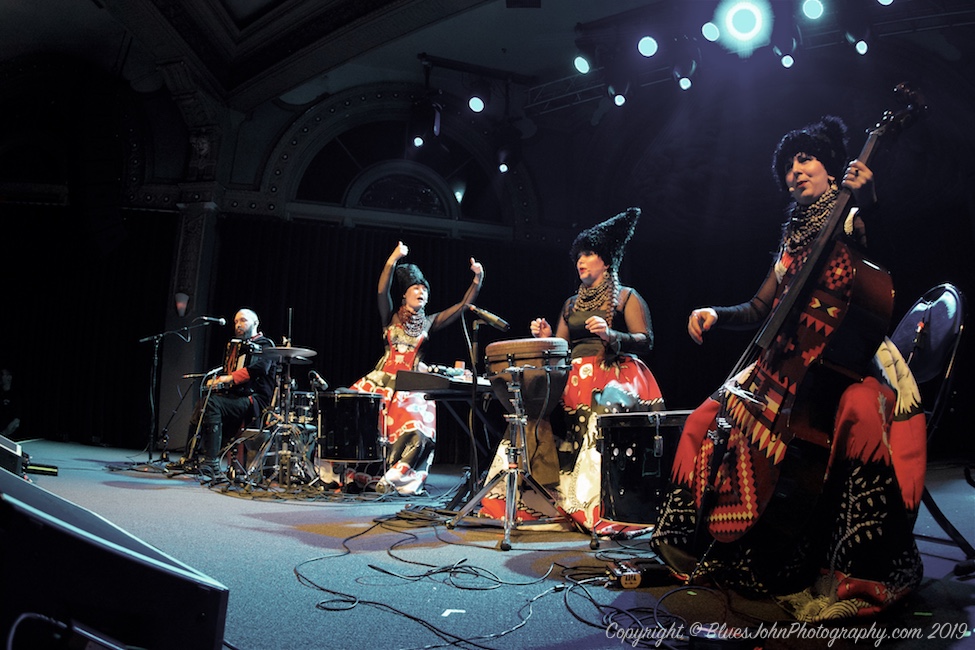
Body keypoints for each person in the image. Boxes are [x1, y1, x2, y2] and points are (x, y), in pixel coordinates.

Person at [650, 116, 928, 622]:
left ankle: (861, 568)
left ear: (832, 169)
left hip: (845, 362)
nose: (795, 171)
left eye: (807, 160)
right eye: (788, 165)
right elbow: (761, 309)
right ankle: (694, 544)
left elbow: (887, 251)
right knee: (702, 420)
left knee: (863, 415)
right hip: (783, 365)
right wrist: (717, 313)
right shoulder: (791, 241)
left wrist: (867, 200)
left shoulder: (851, 220)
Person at [481, 207, 666, 537]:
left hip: (612, 375)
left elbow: (646, 340)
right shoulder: (570, 304)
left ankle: (596, 505)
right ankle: (538, 499)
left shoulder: (626, 298)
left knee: (602, 411)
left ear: (606, 261)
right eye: (578, 255)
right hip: (572, 378)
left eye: (589, 254)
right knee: (537, 410)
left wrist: (612, 336)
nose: (581, 260)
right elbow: (561, 348)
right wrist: (545, 336)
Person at [340, 241, 484, 496]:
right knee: (357, 415)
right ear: (404, 294)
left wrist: (477, 279)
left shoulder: (429, 322)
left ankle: (396, 476)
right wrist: (393, 259)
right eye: (415, 287)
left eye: (424, 289)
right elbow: (382, 290)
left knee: (419, 430)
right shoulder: (390, 317)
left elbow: (462, 307)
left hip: (412, 384)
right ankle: (358, 474)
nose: (421, 291)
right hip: (382, 379)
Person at [187, 308, 276, 477]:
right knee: (203, 402)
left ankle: (212, 462)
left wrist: (228, 379)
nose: (238, 325)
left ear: (255, 323)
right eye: (236, 321)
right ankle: (188, 457)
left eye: (243, 320)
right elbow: (229, 371)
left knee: (212, 403)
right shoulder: (237, 346)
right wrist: (218, 381)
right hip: (237, 397)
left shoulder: (266, 344)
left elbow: (260, 368)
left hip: (255, 399)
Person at [0, 367, 22, 441]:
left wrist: (3, 435)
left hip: (9, 439)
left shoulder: (16, 396)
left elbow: (16, 422)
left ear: (9, 377)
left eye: (2, 374)